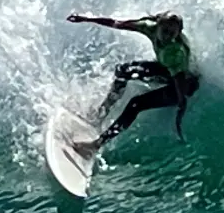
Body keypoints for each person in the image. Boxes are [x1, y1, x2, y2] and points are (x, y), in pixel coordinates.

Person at [65, 11, 199, 155]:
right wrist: (86, 19)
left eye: (172, 34)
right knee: (123, 71)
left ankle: (96, 145)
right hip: (167, 70)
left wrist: (181, 106)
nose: (167, 36)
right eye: (165, 31)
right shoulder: (149, 27)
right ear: (157, 25)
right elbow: (116, 23)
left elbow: (179, 83)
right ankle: (100, 115)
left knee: (136, 104)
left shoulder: (174, 51)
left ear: (178, 33)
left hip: (183, 85)